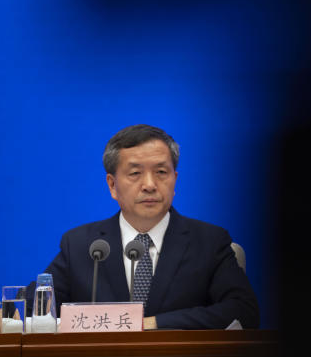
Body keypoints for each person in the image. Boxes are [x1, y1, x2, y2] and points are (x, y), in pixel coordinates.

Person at [36, 124, 260, 329]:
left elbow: (243, 311)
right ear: (112, 185)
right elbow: (35, 308)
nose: (150, 185)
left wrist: (150, 323)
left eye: (161, 172)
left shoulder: (209, 241)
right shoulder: (81, 244)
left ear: (175, 180)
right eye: (135, 173)